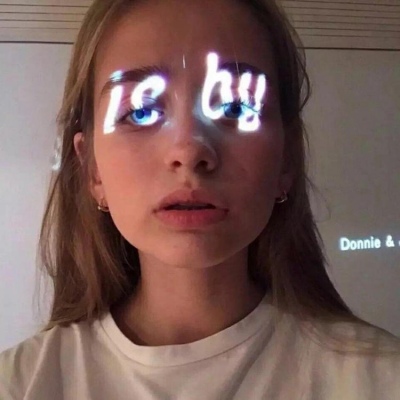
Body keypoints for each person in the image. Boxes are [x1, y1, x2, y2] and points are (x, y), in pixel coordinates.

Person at [1, 0, 400, 398]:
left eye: (236, 107)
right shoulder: (19, 385)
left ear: (287, 158)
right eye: (139, 111)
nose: (189, 150)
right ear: (92, 168)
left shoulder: (381, 381)